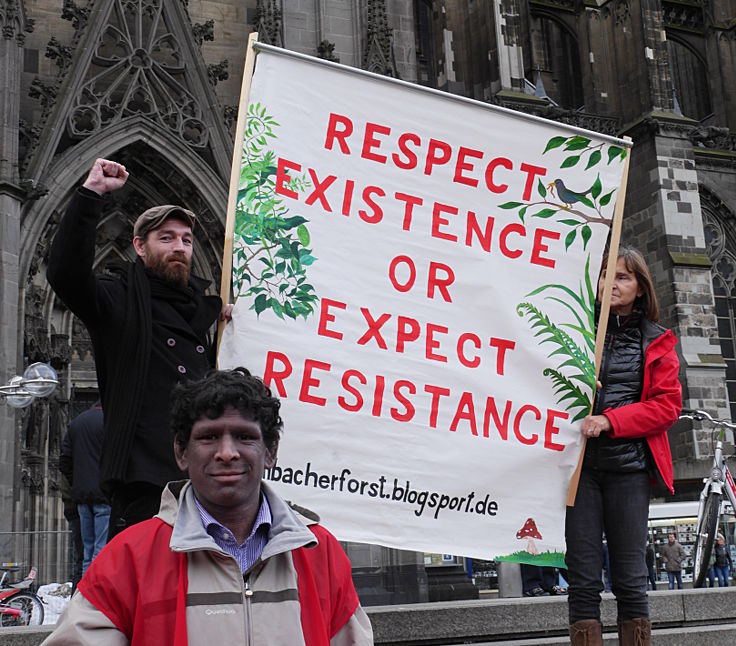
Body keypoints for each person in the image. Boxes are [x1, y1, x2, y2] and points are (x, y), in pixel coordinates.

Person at [42, 367, 373, 645]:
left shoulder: (321, 553)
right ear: (181, 452)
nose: (227, 452)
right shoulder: (128, 557)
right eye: (209, 437)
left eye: (244, 436)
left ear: (270, 450)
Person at [47, 158, 232, 540]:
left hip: (204, 477)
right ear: (140, 247)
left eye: (185, 239)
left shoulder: (206, 309)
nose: (179, 246)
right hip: (146, 483)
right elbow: (65, 273)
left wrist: (235, 332)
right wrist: (91, 193)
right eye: (166, 238)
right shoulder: (119, 298)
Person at [565, 245, 682, 646]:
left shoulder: (658, 342)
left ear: (641, 288)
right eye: (605, 275)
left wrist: (610, 420)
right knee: (582, 579)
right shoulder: (574, 330)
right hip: (578, 471)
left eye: (623, 277)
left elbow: (667, 407)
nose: (610, 284)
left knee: (631, 579)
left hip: (628, 471)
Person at [59, 402, 109, 574]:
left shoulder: (77, 422)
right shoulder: (109, 421)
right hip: (103, 494)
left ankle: (85, 593)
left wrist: (77, 483)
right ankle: (94, 594)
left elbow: (64, 461)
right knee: (100, 549)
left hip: (81, 496)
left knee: (87, 551)